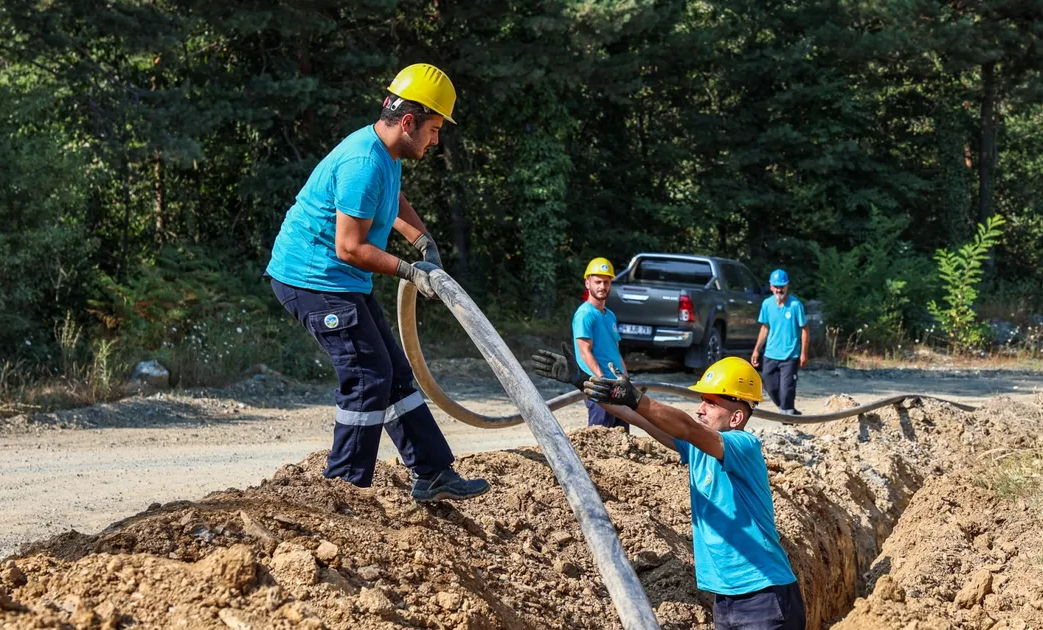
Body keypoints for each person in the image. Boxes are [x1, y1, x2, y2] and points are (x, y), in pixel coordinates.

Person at [265, 63, 488, 502]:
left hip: (342, 280)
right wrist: (410, 271)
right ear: (408, 122)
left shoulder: (385, 155)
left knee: (394, 372)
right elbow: (350, 247)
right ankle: (344, 490)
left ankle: (433, 473)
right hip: (311, 280)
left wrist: (423, 241)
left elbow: (393, 199)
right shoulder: (364, 163)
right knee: (368, 374)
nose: (436, 140)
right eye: (433, 129)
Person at [531, 349, 805, 630]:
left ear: (736, 418)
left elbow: (686, 427)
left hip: (764, 597)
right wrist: (582, 380)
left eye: (711, 403)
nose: (700, 409)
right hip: (725, 598)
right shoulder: (697, 448)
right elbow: (636, 416)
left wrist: (638, 398)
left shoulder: (744, 446)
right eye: (702, 400)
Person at [572, 257, 629, 432]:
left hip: (617, 386)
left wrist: (626, 378)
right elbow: (585, 351)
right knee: (600, 437)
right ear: (587, 283)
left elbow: (614, 350)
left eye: (606, 282)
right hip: (599, 387)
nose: (602, 286)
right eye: (597, 282)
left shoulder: (609, 315)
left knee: (622, 437)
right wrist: (602, 379)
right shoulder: (584, 314)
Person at [751, 269, 808, 416]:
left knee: (787, 387)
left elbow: (804, 329)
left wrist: (803, 353)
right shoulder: (767, 304)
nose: (779, 290)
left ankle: (787, 416)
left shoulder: (795, 305)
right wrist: (756, 350)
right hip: (770, 353)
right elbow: (765, 328)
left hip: (790, 355)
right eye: (776, 286)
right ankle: (788, 411)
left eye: (781, 286)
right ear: (771, 287)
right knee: (770, 385)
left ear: (787, 286)